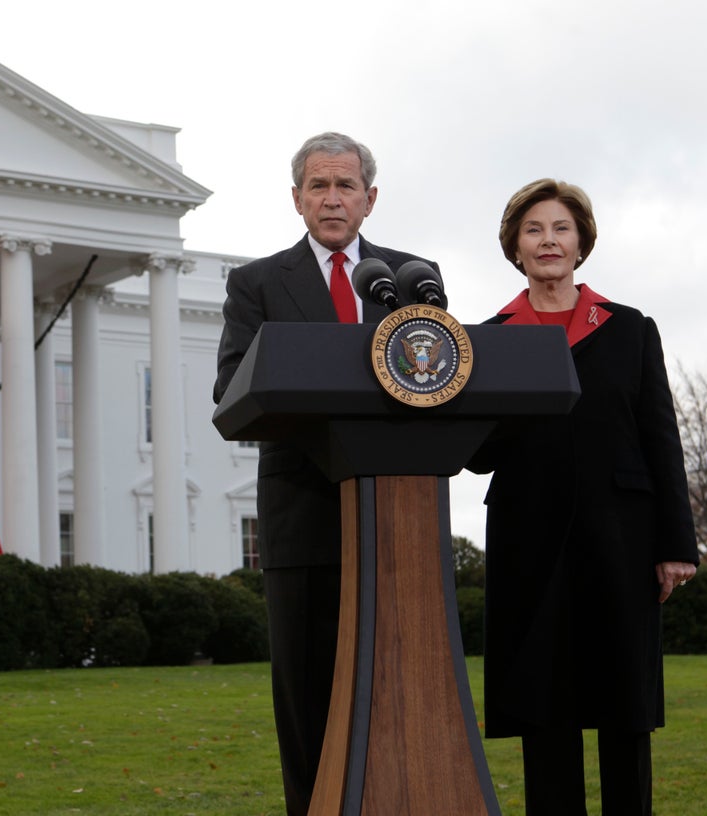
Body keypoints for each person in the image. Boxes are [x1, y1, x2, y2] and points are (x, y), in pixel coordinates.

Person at [212, 131, 440, 815]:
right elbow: (230, 392)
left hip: (398, 516)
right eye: (319, 185)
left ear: (369, 199)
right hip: (303, 516)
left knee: (397, 689)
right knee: (309, 697)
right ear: (297, 198)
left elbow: (438, 378)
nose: (332, 198)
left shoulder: (414, 279)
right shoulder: (255, 284)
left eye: (345, 186)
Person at [468, 178, 699, 816]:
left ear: (581, 242)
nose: (549, 241)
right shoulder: (489, 338)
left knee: (624, 714)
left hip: (621, 543)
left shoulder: (630, 329)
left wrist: (676, 544)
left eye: (561, 228)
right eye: (534, 229)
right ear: (515, 245)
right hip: (528, 546)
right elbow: (477, 456)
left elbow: (661, 437)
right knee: (545, 715)